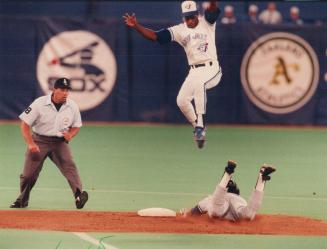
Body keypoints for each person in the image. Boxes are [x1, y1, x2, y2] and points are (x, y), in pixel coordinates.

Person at [123, 0, 222, 149]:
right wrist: (136, 26)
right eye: (186, 17)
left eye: (191, 17)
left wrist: (213, 3)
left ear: (197, 14)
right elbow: (156, 36)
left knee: (199, 85)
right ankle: (197, 127)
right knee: (181, 100)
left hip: (211, 68)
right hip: (194, 70)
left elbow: (213, 9)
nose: (189, 20)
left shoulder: (206, 22)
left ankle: (201, 127)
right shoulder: (180, 30)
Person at [10, 78, 88, 209]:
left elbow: (77, 126)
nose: (65, 93)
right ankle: (22, 200)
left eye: (67, 90)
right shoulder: (39, 103)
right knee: (28, 175)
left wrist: (71, 135)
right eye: (62, 90)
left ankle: (79, 196)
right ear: (54, 89)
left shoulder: (72, 106)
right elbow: (25, 125)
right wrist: (31, 144)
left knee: (70, 167)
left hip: (60, 143)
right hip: (39, 141)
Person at [181, 160, 276, 221]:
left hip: (225, 208)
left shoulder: (210, 199)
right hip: (237, 208)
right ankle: (261, 178)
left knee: (215, 210)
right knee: (248, 215)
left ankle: (227, 173)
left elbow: (194, 212)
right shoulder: (240, 199)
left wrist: (186, 213)